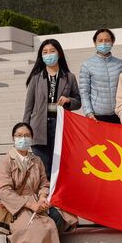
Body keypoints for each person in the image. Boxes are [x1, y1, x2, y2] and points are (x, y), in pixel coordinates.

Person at [0, 123, 78, 243]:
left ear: (32, 138)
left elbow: (44, 183)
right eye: (19, 135)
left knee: (64, 216)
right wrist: (30, 205)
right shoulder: (6, 161)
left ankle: (48, 242)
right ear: (13, 138)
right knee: (38, 227)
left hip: (37, 200)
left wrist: (42, 198)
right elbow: (4, 190)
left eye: (27, 135)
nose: (23, 138)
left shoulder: (37, 160)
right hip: (17, 205)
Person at [23, 39, 81, 178]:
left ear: (59, 53)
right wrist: (25, 129)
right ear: (41, 56)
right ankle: (45, 198)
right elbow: (28, 106)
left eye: (52, 51)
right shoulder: (36, 78)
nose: (49, 55)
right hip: (38, 127)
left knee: (60, 168)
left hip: (60, 126)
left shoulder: (69, 77)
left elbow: (78, 102)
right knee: (43, 170)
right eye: (45, 52)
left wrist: (68, 101)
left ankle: (58, 198)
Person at [79, 28, 122, 124]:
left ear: (112, 42)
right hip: (96, 117)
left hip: (118, 115)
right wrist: (89, 112)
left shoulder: (120, 64)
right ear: (95, 43)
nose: (104, 43)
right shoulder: (87, 65)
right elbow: (84, 92)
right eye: (100, 40)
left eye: (107, 40)